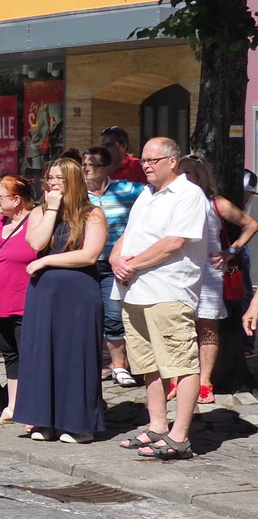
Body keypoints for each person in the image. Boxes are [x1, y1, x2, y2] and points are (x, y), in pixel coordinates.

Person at [109, 138, 211, 459]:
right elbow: (130, 233)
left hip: (168, 291)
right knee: (148, 365)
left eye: (153, 160)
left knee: (180, 362)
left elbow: (174, 242)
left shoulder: (189, 194)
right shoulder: (145, 194)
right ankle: (157, 426)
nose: (147, 166)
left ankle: (180, 435)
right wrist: (115, 257)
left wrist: (131, 263)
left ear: (172, 161)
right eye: (144, 161)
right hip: (135, 290)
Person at [15, 158, 108, 442]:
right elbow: (35, 243)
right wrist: (53, 208)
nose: (53, 183)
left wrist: (47, 263)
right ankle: (44, 421)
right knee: (42, 354)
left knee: (75, 356)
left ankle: (79, 425)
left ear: (74, 181)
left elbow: (89, 255)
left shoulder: (92, 213)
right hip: (44, 294)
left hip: (78, 294)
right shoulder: (40, 211)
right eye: (50, 178)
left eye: (60, 178)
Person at [177, 156, 257, 403]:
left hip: (210, 274)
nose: (182, 177)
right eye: (180, 172)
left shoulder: (215, 203)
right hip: (178, 272)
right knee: (178, 328)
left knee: (207, 328)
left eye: (187, 172)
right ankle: (177, 380)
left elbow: (251, 224)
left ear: (200, 175)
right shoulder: (173, 202)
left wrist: (231, 251)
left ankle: (204, 382)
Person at [0, 175, 41, 424]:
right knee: (10, 356)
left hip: (25, 302)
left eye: (0, 195)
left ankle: (34, 407)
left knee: (30, 356)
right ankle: (14, 405)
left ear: (17, 200)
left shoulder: (35, 223)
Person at [83, 147, 144, 386]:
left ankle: (119, 366)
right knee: (87, 316)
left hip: (113, 264)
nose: (87, 169)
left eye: (93, 165)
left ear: (107, 168)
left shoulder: (126, 189)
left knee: (113, 315)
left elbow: (156, 195)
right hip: (83, 263)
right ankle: (90, 366)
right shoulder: (78, 195)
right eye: (84, 164)